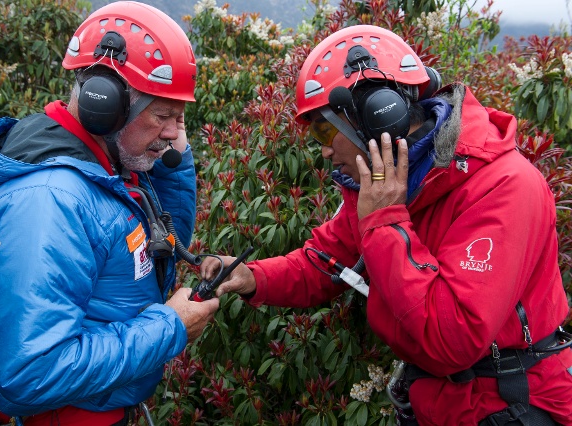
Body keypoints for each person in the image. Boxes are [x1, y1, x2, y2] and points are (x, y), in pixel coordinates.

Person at [200, 25, 572, 425]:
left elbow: (453, 339)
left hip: (510, 405)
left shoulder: (503, 186)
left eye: (325, 130)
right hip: (441, 400)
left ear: (379, 115)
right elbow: (326, 262)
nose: (324, 150)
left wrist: (384, 221)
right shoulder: (388, 182)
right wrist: (250, 276)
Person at [0, 2, 219, 425]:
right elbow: (27, 375)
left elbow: (160, 248)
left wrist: (173, 156)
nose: (174, 132)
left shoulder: (106, 164)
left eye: (181, 117)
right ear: (106, 106)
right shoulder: (48, 201)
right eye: (163, 116)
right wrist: (168, 328)